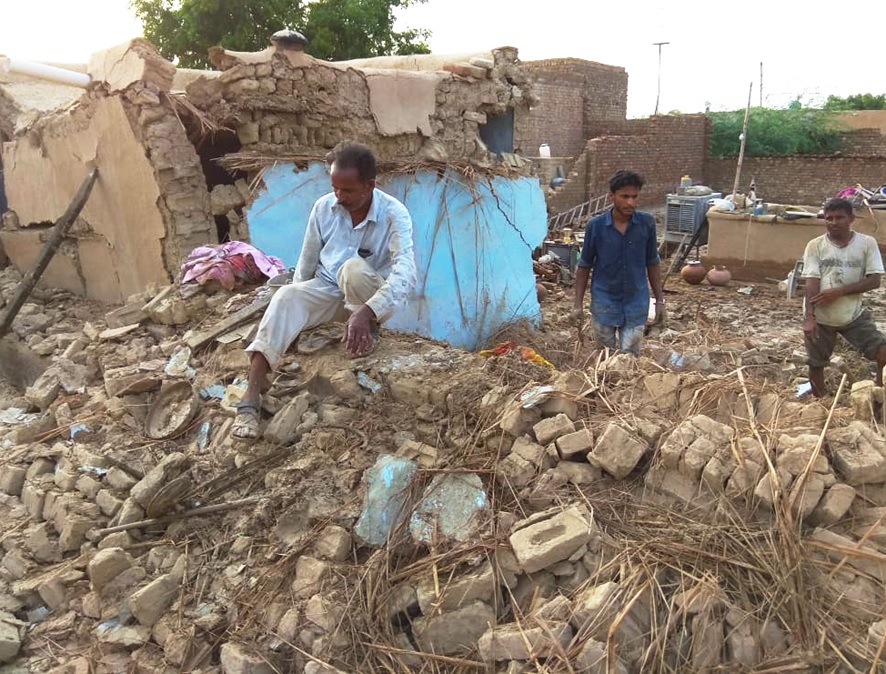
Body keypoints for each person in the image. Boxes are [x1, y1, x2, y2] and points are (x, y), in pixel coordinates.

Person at [233, 141, 417, 438]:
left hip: (370, 295)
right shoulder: (323, 208)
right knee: (286, 296)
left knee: (353, 268)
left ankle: (365, 333)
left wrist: (365, 313)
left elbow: (406, 273)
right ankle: (251, 396)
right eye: (335, 189)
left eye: (347, 191)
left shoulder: (395, 214)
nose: (339, 197)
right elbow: (306, 264)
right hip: (329, 288)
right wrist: (295, 320)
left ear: (369, 185)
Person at [571, 169, 665, 355]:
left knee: (629, 357)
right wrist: (577, 305)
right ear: (611, 197)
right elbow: (584, 265)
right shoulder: (596, 226)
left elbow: (652, 262)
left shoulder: (646, 224)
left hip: (636, 302)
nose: (630, 202)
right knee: (605, 356)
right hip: (604, 301)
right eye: (624, 196)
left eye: (634, 197)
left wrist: (660, 301)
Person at [802, 197, 886, 396]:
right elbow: (811, 281)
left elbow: (875, 280)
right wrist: (810, 317)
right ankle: (821, 403)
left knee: (882, 352)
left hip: (853, 315)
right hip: (821, 317)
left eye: (839, 217)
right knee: (816, 364)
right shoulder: (815, 245)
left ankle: (879, 390)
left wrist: (839, 291)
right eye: (828, 218)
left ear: (851, 219)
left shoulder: (866, 244)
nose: (833, 222)